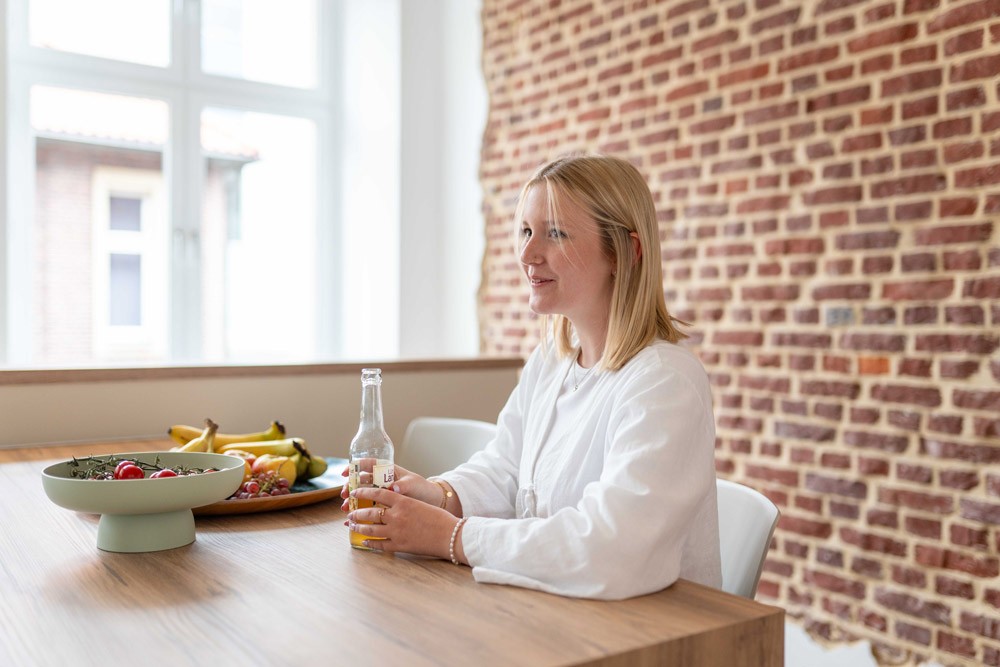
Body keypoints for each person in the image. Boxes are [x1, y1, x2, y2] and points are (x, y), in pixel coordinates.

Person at [343, 153, 721, 600]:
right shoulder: (551, 361)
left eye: (555, 233)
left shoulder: (664, 381)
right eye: (525, 231)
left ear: (626, 252)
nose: (526, 254)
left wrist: (451, 536)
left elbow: (612, 549)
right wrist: (439, 496)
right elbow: (506, 467)